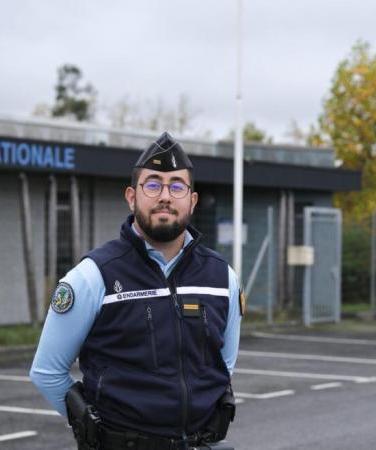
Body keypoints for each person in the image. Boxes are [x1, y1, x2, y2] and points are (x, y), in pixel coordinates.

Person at [30, 131, 243, 450]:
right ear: (132, 196)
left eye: (177, 186)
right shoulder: (93, 276)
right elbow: (47, 371)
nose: (165, 196)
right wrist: (94, 429)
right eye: (153, 184)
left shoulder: (222, 277)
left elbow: (221, 366)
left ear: (192, 200)